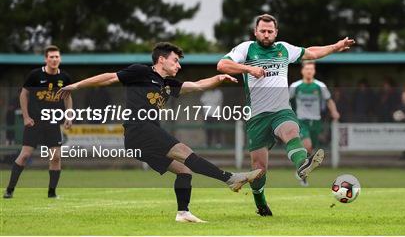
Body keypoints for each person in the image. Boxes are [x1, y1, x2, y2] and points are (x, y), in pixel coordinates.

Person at [57, 42, 261, 223]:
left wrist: (218, 78)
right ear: (161, 60)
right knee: (185, 151)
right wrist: (76, 85)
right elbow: (109, 78)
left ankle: (183, 213)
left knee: (184, 171)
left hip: (143, 138)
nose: (178, 65)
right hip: (139, 130)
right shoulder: (141, 72)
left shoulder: (168, 84)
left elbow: (197, 85)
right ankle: (230, 179)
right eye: (175, 60)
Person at [217, 13, 355, 216]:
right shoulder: (246, 49)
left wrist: (335, 47)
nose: (266, 34)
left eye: (269, 31)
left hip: (281, 110)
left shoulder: (283, 49)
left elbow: (311, 53)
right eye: (262, 31)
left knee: (291, 130)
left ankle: (302, 165)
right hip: (257, 117)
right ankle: (261, 204)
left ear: (276, 32)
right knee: (258, 169)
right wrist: (248, 69)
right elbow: (222, 65)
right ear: (255, 32)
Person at [4, 45, 73, 199]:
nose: (54, 60)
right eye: (51, 57)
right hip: (35, 123)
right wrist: (26, 117)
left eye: (57, 57)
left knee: (56, 157)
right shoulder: (35, 75)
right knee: (25, 155)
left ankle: (52, 192)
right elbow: (24, 94)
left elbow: (68, 98)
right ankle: (9, 189)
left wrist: (69, 116)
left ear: (60, 59)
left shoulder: (65, 78)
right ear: (46, 59)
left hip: (53, 123)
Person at [290, 61, 340, 186]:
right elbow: (285, 100)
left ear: (314, 71)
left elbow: (329, 100)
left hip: (316, 122)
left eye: (311, 69)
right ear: (302, 71)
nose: (309, 71)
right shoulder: (296, 86)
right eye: (307, 69)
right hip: (301, 121)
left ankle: (302, 172)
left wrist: (334, 111)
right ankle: (302, 171)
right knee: (307, 145)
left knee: (310, 149)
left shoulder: (320, 86)